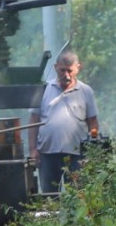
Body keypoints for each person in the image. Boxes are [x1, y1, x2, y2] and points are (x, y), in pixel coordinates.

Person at [33, 49, 99, 193]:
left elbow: (93, 122)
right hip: (47, 153)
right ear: (55, 67)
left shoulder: (86, 91)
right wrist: (33, 149)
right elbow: (33, 121)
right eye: (62, 70)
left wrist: (92, 150)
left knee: (78, 194)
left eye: (70, 71)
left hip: (76, 154)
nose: (66, 75)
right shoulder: (44, 89)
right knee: (49, 195)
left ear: (78, 68)